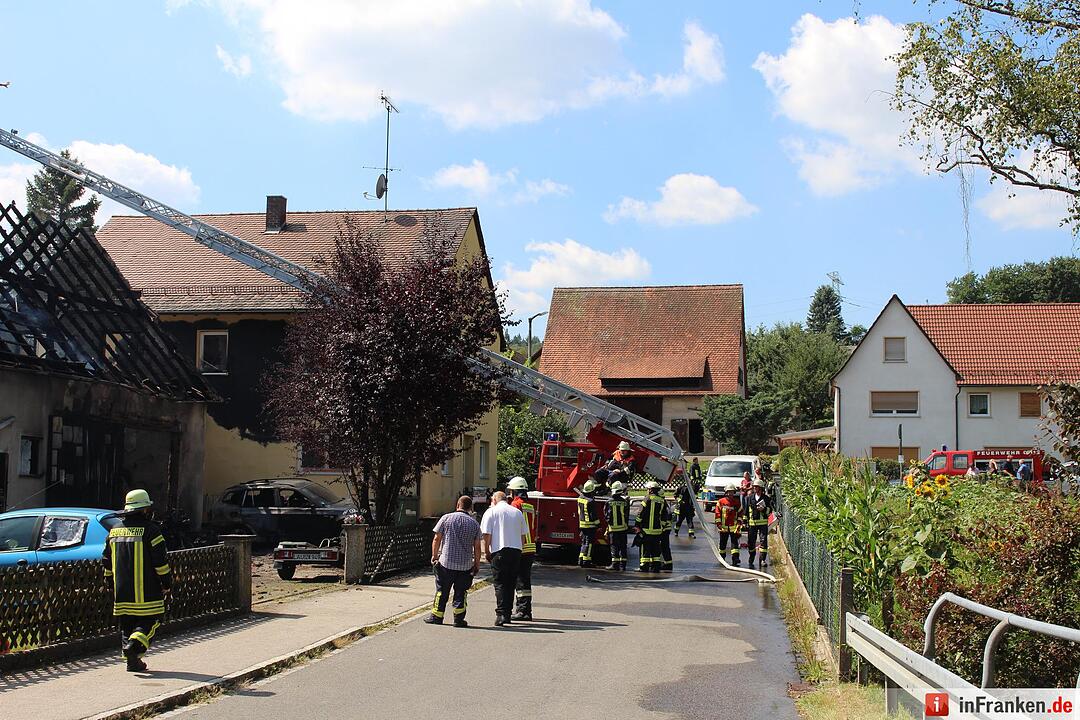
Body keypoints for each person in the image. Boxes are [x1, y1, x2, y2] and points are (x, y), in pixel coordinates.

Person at [102, 489, 171, 672]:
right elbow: (160, 562)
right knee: (153, 620)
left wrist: (109, 583)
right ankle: (133, 646)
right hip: (147, 592)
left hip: (122, 593)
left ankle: (132, 662)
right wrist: (166, 583)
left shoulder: (114, 531)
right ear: (145, 510)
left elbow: (107, 561)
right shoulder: (152, 531)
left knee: (127, 627)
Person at [425, 495, 482, 627]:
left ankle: (437, 616)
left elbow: (437, 538)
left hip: (446, 563)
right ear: (470, 508)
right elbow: (477, 546)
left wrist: (434, 556)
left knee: (442, 591)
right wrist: (476, 564)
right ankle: (458, 619)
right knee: (461, 592)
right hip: (465, 565)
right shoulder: (474, 524)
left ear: (457, 505)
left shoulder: (446, 518)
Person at [480, 491, 528, 627]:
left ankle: (501, 614)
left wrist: (486, 552)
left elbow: (486, 535)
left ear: (494, 500)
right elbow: (523, 536)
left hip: (499, 551)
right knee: (511, 583)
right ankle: (507, 614)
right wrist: (520, 550)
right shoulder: (517, 513)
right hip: (516, 551)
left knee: (500, 583)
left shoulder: (491, 512)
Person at [507, 477, 537, 621]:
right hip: (530, 547)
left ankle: (523, 611)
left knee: (520, 581)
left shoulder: (515, 505)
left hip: (520, 547)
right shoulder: (529, 506)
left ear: (514, 491)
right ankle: (525, 610)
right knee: (525, 580)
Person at [635, 481, 668, 572]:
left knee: (645, 549)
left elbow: (640, 513)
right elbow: (664, 515)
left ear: (650, 490)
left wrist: (637, 525)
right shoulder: (662, 500)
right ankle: (656, 567)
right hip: (657, 531)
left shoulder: (647, 499)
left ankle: (644, 567)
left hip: (646, 530)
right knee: (656, 550)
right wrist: (662, 526)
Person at [746, 478, 773, 569]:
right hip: (752, 524)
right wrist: (745, 522)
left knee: (763, 541)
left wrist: (764, 509)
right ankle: (751, 557)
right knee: (751, 542)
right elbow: (746, 511)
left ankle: (762, 560)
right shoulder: (750, 498)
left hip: (762, 523)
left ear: (760, 488)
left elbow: (770, 511)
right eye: (754, 487)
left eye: (756, 487)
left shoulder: (766, 498)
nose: (754, 488)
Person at [714, 483, 742, 566]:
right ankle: (722, 558)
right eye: (729, 492)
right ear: (726, 492)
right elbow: (717, 514)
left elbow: (740, 514)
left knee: (735, 544)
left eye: (732, 492)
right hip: (723, 528)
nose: (730, 493)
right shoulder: (721, 502)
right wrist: (719, 525)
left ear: (734, 492)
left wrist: (739, 524)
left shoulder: (736, 502)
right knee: (722, 544)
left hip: (734, 527)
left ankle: (735, 558)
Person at [605, 480, 630, 571]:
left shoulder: (609, 502)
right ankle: (623, 565)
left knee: (614, 546)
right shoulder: (624, 502)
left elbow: (606, 515)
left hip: (613, 529)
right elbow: (627, 515)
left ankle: (615, 564)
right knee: (623, 546)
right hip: (623, 528)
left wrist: (609, 523)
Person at [576, 480, 600, 567]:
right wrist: (598, 525)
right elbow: (593, 515)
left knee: (583, 543)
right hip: (590, 525)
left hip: (582, 525)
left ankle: (581, 559)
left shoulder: (580, 498)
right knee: (589, 544)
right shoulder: (590, 501)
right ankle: (586, 561)